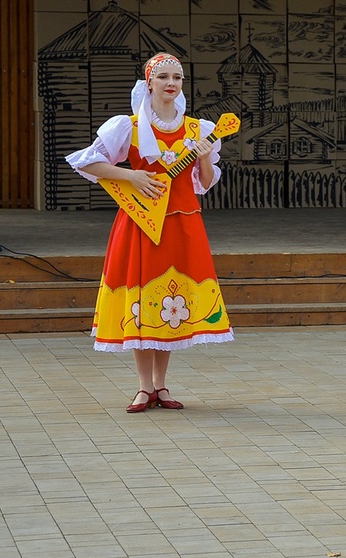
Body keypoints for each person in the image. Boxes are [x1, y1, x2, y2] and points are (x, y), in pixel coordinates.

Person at [66, 53, 233, 413]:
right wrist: (131, 175)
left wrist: (204, 156)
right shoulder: (129, 126)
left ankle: (161, 385)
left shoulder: (198, 130)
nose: (171, 83)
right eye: (164, 77)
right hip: (142, 223)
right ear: (149, 83)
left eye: (178, 78)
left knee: (171, 303)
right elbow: (87, 162)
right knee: (144, 301)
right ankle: (144, 387)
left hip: (183, 223)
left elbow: (204, 183)